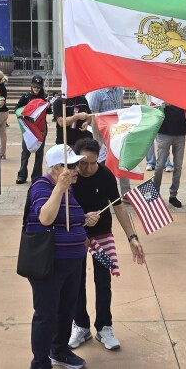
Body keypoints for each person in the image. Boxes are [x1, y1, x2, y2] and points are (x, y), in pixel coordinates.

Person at [67, 138, 145, 352]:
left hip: (101, 234)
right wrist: (81, 219)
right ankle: (80, 325)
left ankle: (104, 327)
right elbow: (61, 208)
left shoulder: (105, 175)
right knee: (76, 281)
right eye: (83, 163)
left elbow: (118, 207)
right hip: (75, 234)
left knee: (103, 281)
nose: (88, 168)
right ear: (76, 159)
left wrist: (132, 237)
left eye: (93, 163)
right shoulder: (69, 176)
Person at [25, 144, 94, 369]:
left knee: (66, 310)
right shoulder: (42, 186)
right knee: (46, 314)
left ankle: (60, 350)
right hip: (50, 263)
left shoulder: (68, 188)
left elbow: (64, 218)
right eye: (71, 165)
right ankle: (40, 361)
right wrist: (59, 189)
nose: (76, 169)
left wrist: (83, 218)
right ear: (56, 168)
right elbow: (45, 217)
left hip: (73, 262)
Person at [153, 103, 186, 207]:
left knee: (178, 166)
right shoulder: (161, 91)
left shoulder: (182, 91)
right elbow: (154, 106)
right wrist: (162, 104)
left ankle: (173, 195)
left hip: (180, 132)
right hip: (164, 132)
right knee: (159, 165)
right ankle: (155, 193)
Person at [16, 75, 48, 185]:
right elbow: (17, 109)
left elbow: (49, 113)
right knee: (25, 152)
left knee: (39, 154)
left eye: (38, 87)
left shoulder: (45, 98)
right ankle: (21, 175)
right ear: (31, 86)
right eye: (34, 86)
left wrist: (49, 105)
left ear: (41, 87)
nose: (36, 89)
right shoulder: (25, 97)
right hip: (29, 129)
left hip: (41, 129)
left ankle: (37, 176)